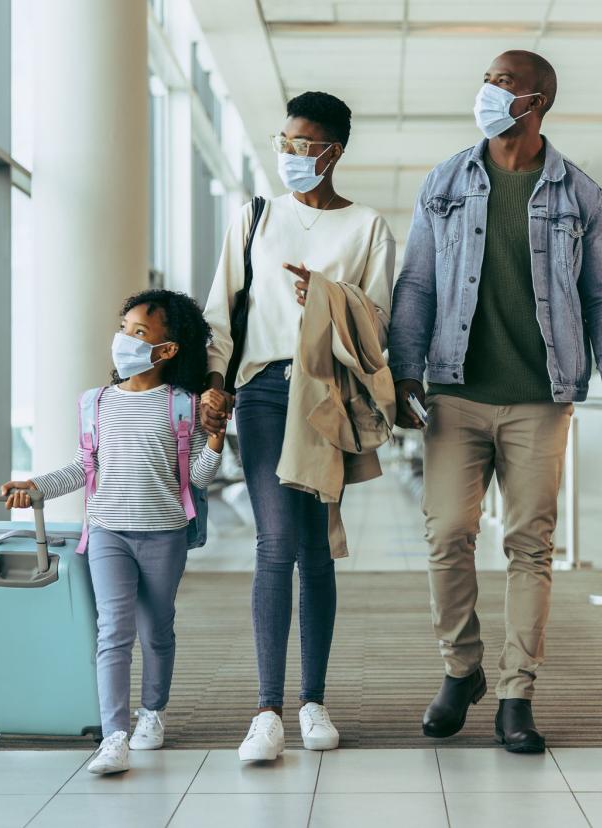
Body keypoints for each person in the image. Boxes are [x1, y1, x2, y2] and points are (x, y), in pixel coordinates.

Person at [388, 50, 602, 753]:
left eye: (503, 81)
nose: (488, 90)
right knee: (446, 535)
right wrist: (404, 371)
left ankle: (515, 692)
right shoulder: (445, 181)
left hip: (541, 397)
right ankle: (460, 668)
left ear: (537, 101)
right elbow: (414, 284)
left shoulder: (578, 194)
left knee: (530, 546)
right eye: (486, 79)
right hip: (454, 394)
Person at [201, 91, 396, 761]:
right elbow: (219, 310)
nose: (286, 154)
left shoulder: (367, 226)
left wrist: (330, 302)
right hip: (261, 393)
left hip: (327, 396)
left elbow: (379, 328)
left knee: (315, 547)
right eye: (282, 142)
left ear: (332, 151)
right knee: (275, 540)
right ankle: (266, 712)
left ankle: (313, 702)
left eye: (301, 145)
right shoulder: (254, 216)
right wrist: (212, 385)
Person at [0, 289, 226, 775]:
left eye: (138, 333)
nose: (123, 339)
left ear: (166, 350)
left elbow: (201, 477)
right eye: (123, 328)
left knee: (156, 628)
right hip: (107, 534)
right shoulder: (95, 404)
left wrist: (216, 439)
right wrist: (35, 486)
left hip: (164, 533)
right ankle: (114, 735)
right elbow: (84, 469)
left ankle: (153, 713)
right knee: (113, 632)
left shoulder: (182, 406)